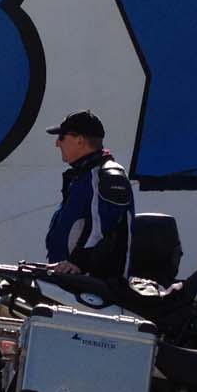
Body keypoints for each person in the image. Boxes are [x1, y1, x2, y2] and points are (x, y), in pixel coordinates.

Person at [44, 109, 135, 277]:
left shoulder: (107, 175)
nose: (57, 143)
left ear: (80, 140)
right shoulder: (84, 175)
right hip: (72, 280)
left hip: (93, 285)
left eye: (62, 137)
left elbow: (101, 230)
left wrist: (77, 265)